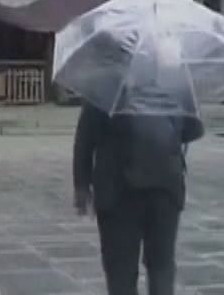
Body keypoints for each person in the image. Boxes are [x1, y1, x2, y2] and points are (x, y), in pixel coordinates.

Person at [72, 92, 204, 295]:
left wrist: (82, 184)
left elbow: (86, 135)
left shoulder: (108, 81)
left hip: (117, 189)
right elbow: (194, 128)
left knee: (121, 270)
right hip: (166, 185)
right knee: (161, 265)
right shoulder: (175, 80)